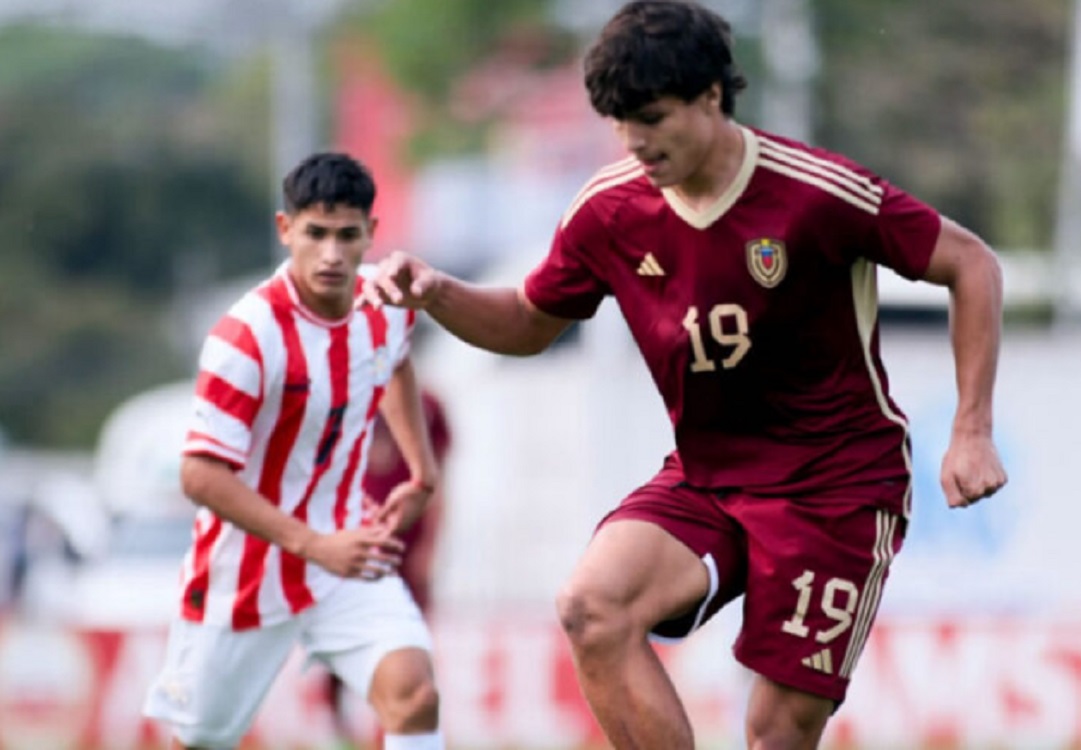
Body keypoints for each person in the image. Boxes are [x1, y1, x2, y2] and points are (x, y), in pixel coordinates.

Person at [363, 1, 1008, 747]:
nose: (635, 141)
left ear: (711, 96)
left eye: (653, 117)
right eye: (620, 121)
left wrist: (971, 429)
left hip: (834, 488)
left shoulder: (816, 192)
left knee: (774, 730)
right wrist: (437, 290)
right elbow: (526, 323)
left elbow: (971, 263)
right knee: (591, 606)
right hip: (708, 479)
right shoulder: (610, 211)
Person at [143, 152, 446, 750]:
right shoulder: (246, 336)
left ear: (371, 235)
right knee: (200, 739)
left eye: (347, 236)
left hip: (347, 552)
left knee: (415, 694)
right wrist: (314, 545)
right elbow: (199, 475)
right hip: (246, 572)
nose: (331, 254)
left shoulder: (384, 308)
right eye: (315, 234)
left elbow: (396, 364)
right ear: (286, 230)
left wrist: (422, 470)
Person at [325, 387, 453, 744]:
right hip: (346, 547)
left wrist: (429, 545)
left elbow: (437, 482)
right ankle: (343, 735)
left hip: (402, 548)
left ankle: (389, 735)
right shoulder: (340, 390)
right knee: (338, 657)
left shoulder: (427, 405)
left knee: (411, 657)